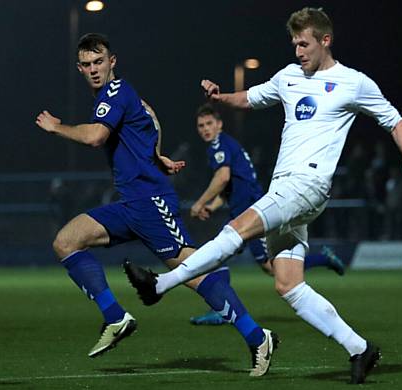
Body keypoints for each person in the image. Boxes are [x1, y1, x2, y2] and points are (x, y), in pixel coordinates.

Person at [123, 8, 402, 384]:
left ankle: (159, 285)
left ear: (326, 41)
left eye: (304, 43)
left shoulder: (352, 82)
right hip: (284, 189)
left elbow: (394, 119)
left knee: (236, 230)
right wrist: (221, 96)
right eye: (294, 43)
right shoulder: (288, 77)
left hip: (307, 185)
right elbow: (251, 98)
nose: (297, 50)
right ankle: (359, 348)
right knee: (288, 285)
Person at [35, 33, 278, 377]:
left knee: (194, 272)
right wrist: (156, 155)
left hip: (150, 203)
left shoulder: (116, 92)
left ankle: (258, 337)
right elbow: (151, 118)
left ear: (112, 61)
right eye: (86, 64)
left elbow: (95, 137)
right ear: (79, 67)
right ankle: (115, 317)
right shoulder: (116, 96)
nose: (93, 69)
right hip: (129, 203)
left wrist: (56, 127)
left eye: (98, 62)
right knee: (66, 241)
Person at [189, 103, 345, 325]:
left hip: (252, 213)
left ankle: (324, 258)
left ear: (219, 125)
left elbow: (222, 178)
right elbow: (230, 187)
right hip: (241, 210)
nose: (205, 129)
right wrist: (212, 207)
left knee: (272, 268)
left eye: (209, 124)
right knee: (219, 257)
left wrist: (199, 203)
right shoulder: (221, 145)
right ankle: (221, 310)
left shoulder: (220, 146)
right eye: (200, 125)